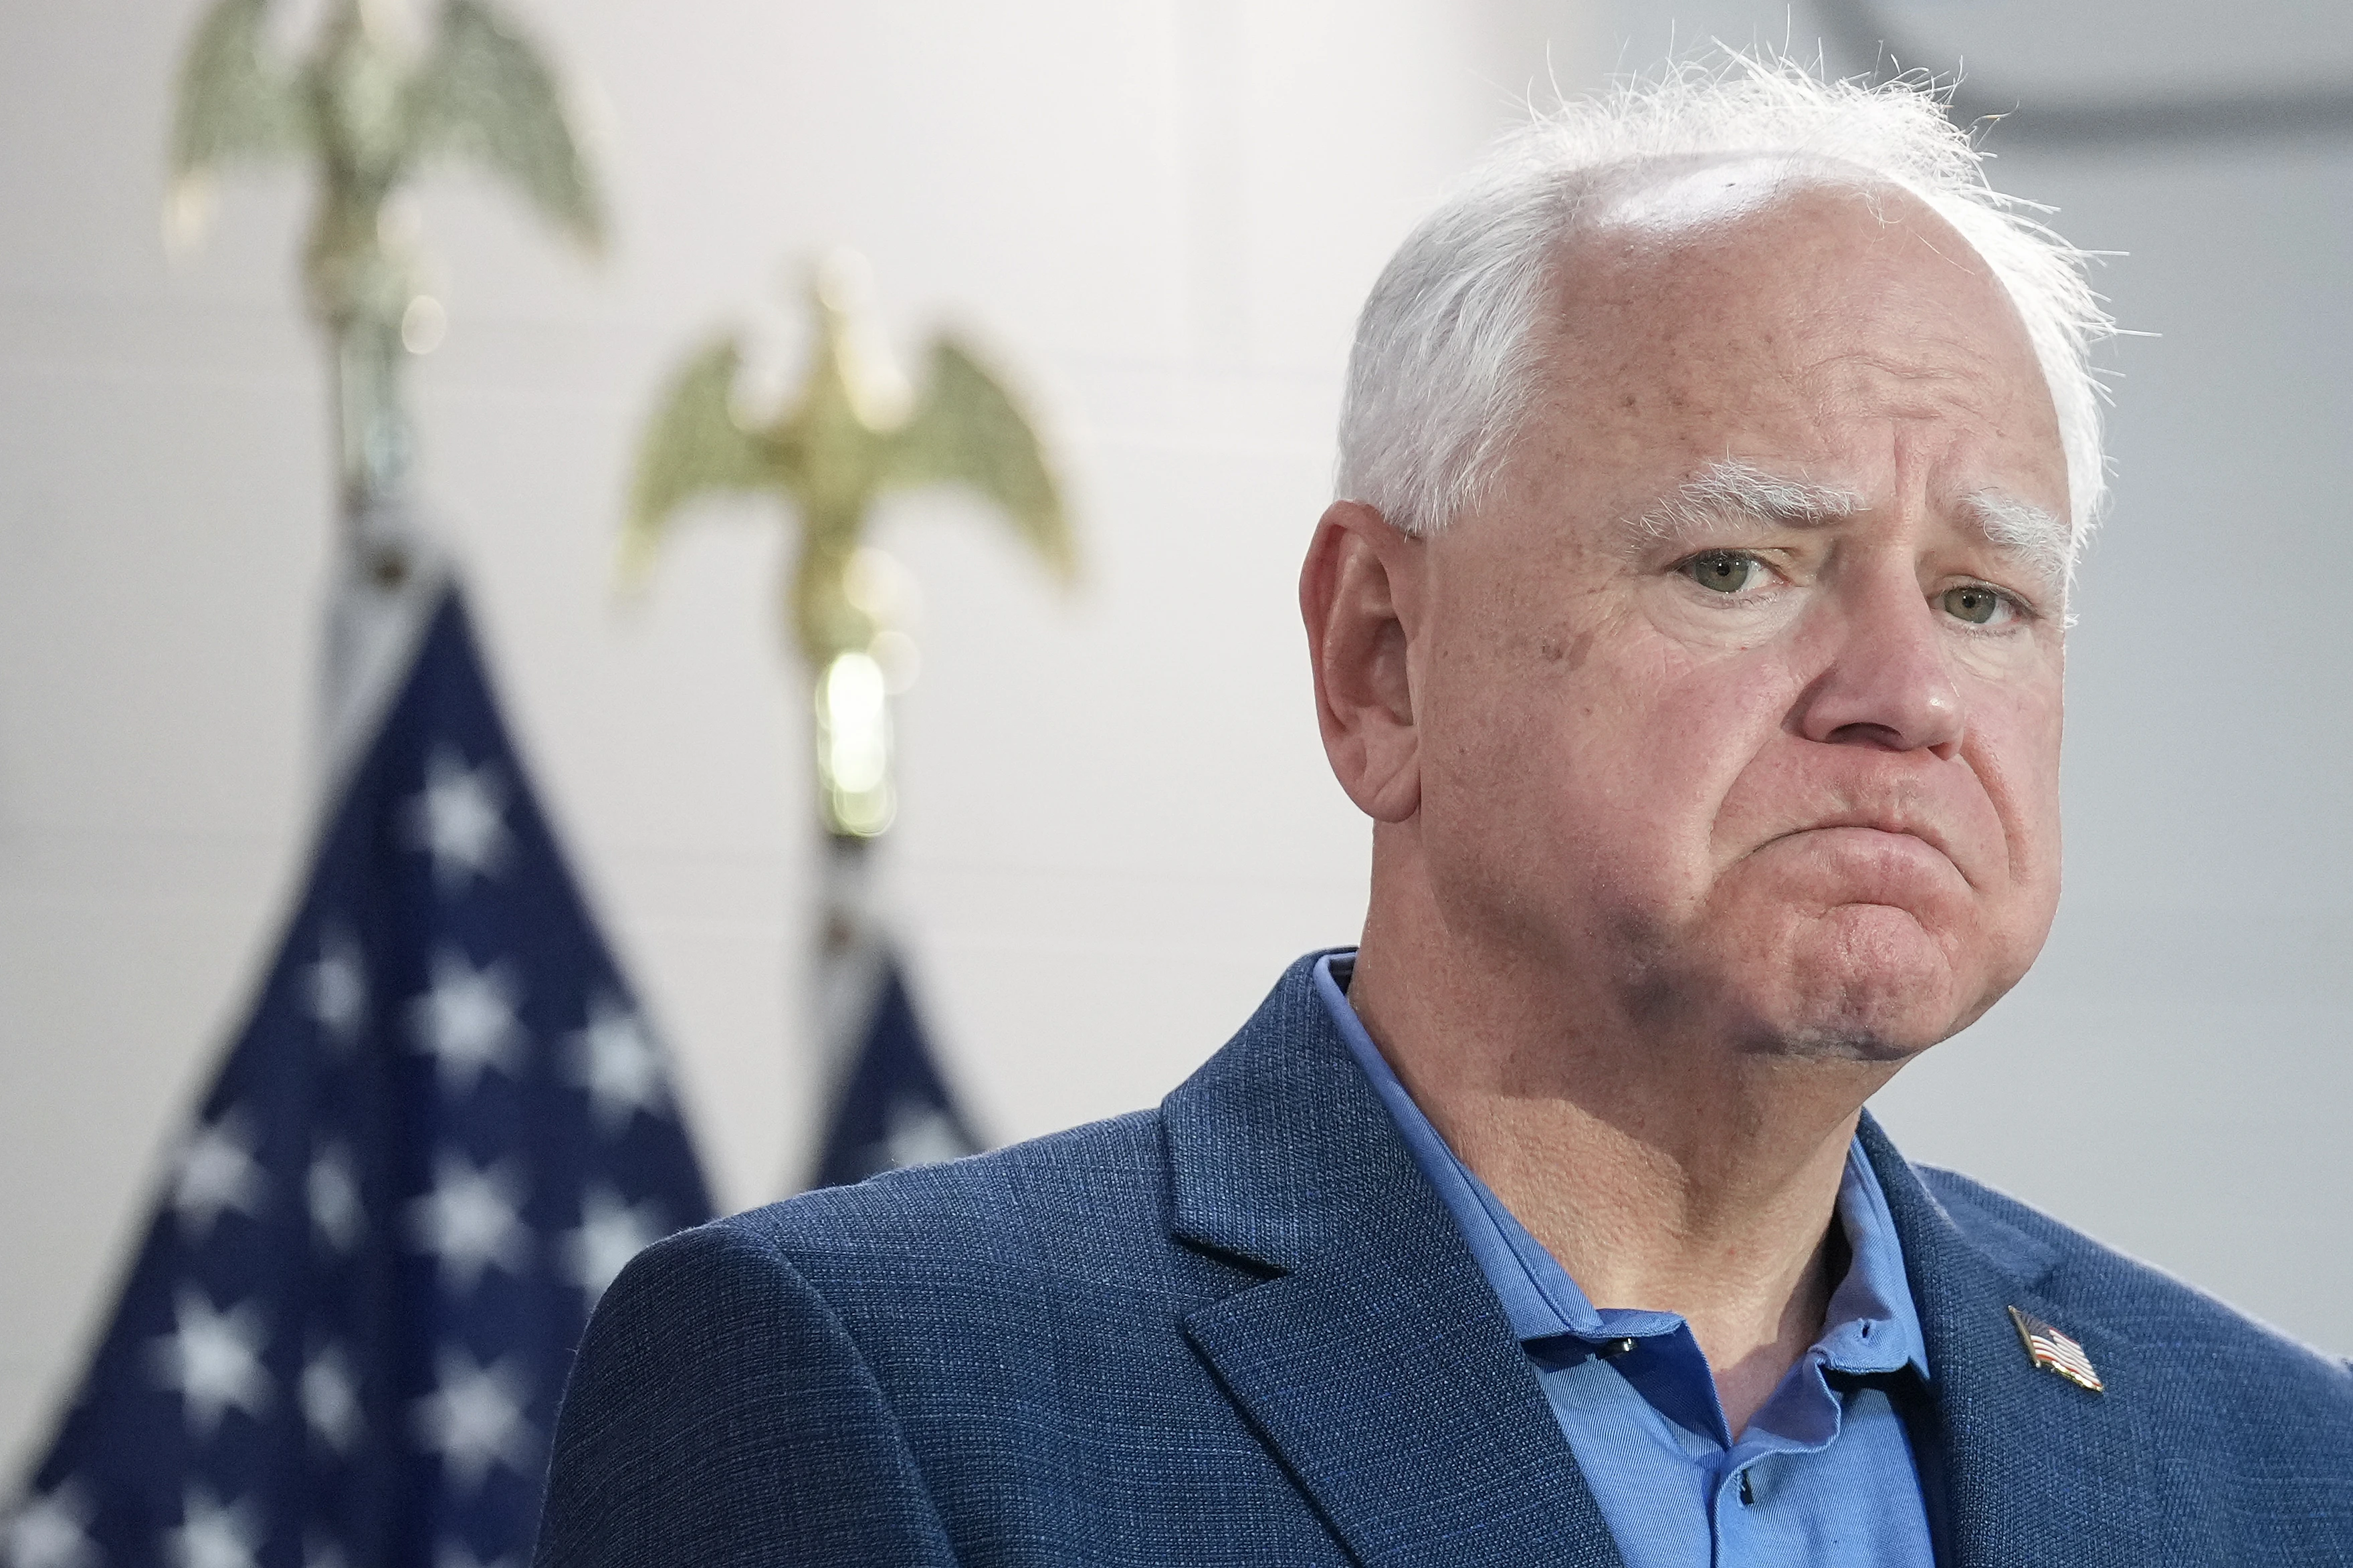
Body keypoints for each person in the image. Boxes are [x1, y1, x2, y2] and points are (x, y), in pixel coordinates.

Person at [534, 61, 2353, 1566]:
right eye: (1735, 564)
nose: (1903, 692)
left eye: (1983, 599)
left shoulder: (2276, 1468)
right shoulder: (880, 1387)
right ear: (1380, 660)